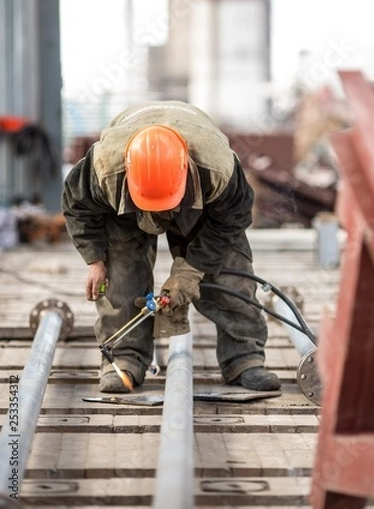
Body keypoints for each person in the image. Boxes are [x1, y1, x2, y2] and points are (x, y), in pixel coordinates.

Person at [61, 100, 281, 394]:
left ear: (186, 172)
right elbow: (77, 207)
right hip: (125, 209)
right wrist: (95, 260)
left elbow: (232, 221)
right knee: (121, 275)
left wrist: (190, 271)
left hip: (201, 204)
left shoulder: (218, 169)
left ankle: (244, 359)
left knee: (229, 272)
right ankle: (125, 359)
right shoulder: (103, 169)